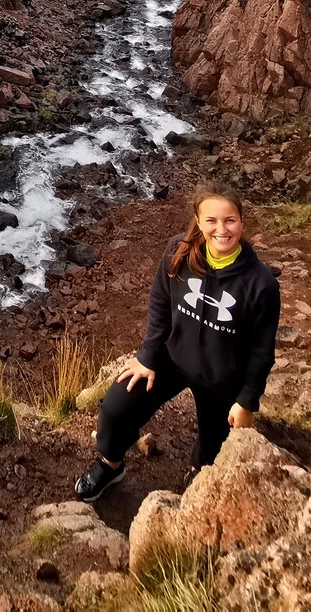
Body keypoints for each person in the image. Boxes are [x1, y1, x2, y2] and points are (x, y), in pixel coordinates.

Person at [74, 190, 280, 501]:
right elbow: (160, 302)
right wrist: (148, 355)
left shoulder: (261, 284)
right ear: (198, 221)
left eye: (230, 220)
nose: (221, 230)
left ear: (241, 221)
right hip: (170, 359)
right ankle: (110, 465)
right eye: (211, 220)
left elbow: (262, 351)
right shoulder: (179, 251)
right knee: (115, 409)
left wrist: (247, 401)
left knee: (214, 451)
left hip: (222, 376)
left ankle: (199, 472)